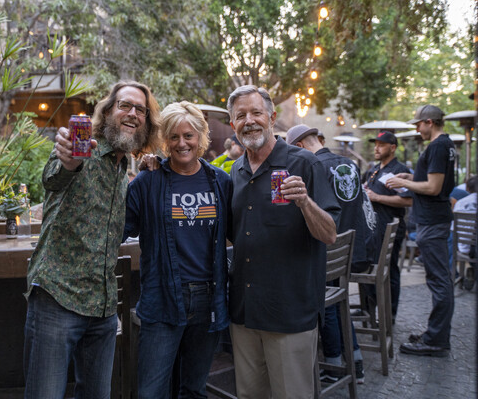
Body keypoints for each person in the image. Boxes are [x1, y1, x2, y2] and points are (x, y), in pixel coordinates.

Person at [23, 81, 161, 399]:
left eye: (140, 109)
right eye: (124, 105)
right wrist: (69, 159)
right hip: (58, 299)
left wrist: (154, 166)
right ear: (107, 111)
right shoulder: (84, 148)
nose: (133, 113)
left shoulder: (124, 165)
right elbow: (55, 175)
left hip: (102, 308)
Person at [227, 86, 340, 398]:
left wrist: (304, 202)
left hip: (289, 310)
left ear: (272, 117)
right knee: (250, 394)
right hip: (244, 310)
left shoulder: (305, 164)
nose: (249, 121)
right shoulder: (235, 171)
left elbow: (329, 234)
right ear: (233, 123)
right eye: (240, 116)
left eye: (256, 113)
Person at [124, 101, 232, 398]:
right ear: (164, 140)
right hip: (162, 297)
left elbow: (239, 232)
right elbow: (119, 228)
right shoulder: (148, 181)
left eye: (188, 136)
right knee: (150, 392)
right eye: (173, 137)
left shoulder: (220, 182)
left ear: (201, 137)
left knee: (194, 390)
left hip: (209, 299)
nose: (182, 143)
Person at [286, 124, 377, 385]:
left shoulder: (313, 168)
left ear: (300, 147)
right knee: (339, 302)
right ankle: (355, 360)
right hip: (351, 248)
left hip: (328, 249)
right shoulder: (348, 163)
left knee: (322, 301)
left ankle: (334, 362)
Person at [387, 104, 455, 357]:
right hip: (434, 219)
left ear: (429, 122)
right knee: (439, 280)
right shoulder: (446, 145)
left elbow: (435, 187)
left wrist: (404, 182)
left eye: (418, 124)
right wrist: (413, 176)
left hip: (432, 220)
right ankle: (435, 333)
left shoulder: (437, 146)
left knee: (439, 281)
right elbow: (433, 180)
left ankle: (436, 340)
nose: (417, 129)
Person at [363, 130, 412, 321]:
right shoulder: (374, 170)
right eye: (375, 144)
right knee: (369, 266)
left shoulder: (401, 171)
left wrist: (377, 197)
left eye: (381, 144)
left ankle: (388, 315)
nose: (376, 148)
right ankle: (370, 310)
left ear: (392, 148)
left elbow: (408, 201)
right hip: (372, 228)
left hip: (391, 227)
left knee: (389, 270)